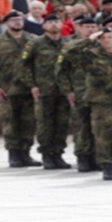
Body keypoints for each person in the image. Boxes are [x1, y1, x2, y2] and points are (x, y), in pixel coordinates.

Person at [0, 11, 40, 167]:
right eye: (13, 20)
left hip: (29, 89)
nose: (17, 23)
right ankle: (14, 155)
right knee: (10, 123)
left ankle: (25, 153)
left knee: (29, 123)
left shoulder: (32, 40)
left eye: (19, 20)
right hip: (8, 90)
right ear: (7, 23)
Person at [23, 14, 72, 169]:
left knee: (62, 123)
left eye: (57, 21)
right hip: (44, 90)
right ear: (44, 26)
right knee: (45, 123)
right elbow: (24, 66)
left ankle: (58, 154)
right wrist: (32, 85)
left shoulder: (67, 43)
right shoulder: (35, 43)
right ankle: (47, 155)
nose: (54, 25)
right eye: (50, 22)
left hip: (63, 90)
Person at [57, 15, 100, 171]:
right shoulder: (71, 45)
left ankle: (97, 157)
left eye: (93, 27)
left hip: (100, 93)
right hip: (80, 92)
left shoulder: (103, 44)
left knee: (98, 126)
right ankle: (83, 157)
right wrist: (68, 91)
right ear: (79, 28)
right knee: (81, 126)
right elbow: (61, 71)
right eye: (87, 27)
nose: (90, 30)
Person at [82, 28, 112, 180]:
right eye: (103, 38)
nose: (107, 40)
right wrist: (89, 39)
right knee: (103, 135)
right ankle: (107, 166)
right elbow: (71, 54)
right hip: (102, 102)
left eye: (110, 37)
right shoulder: (91, 56)